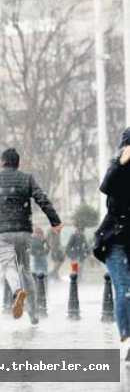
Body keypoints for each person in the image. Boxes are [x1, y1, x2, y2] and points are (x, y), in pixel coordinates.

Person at [0, 148, 63, 325]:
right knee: (25, 269)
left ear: (2, 162)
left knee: (9, 266)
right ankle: (33, 314)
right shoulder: (27, 178)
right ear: (18, 163)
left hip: (2, 232)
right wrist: (55, 221)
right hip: (23, 231)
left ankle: (17, 292)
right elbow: (42, 199)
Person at [94, 127, 130, 360]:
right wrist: (121, 161)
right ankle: (128, 339)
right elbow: (106, 186)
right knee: (124, 290)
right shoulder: (117, 170)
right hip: (116, 240)